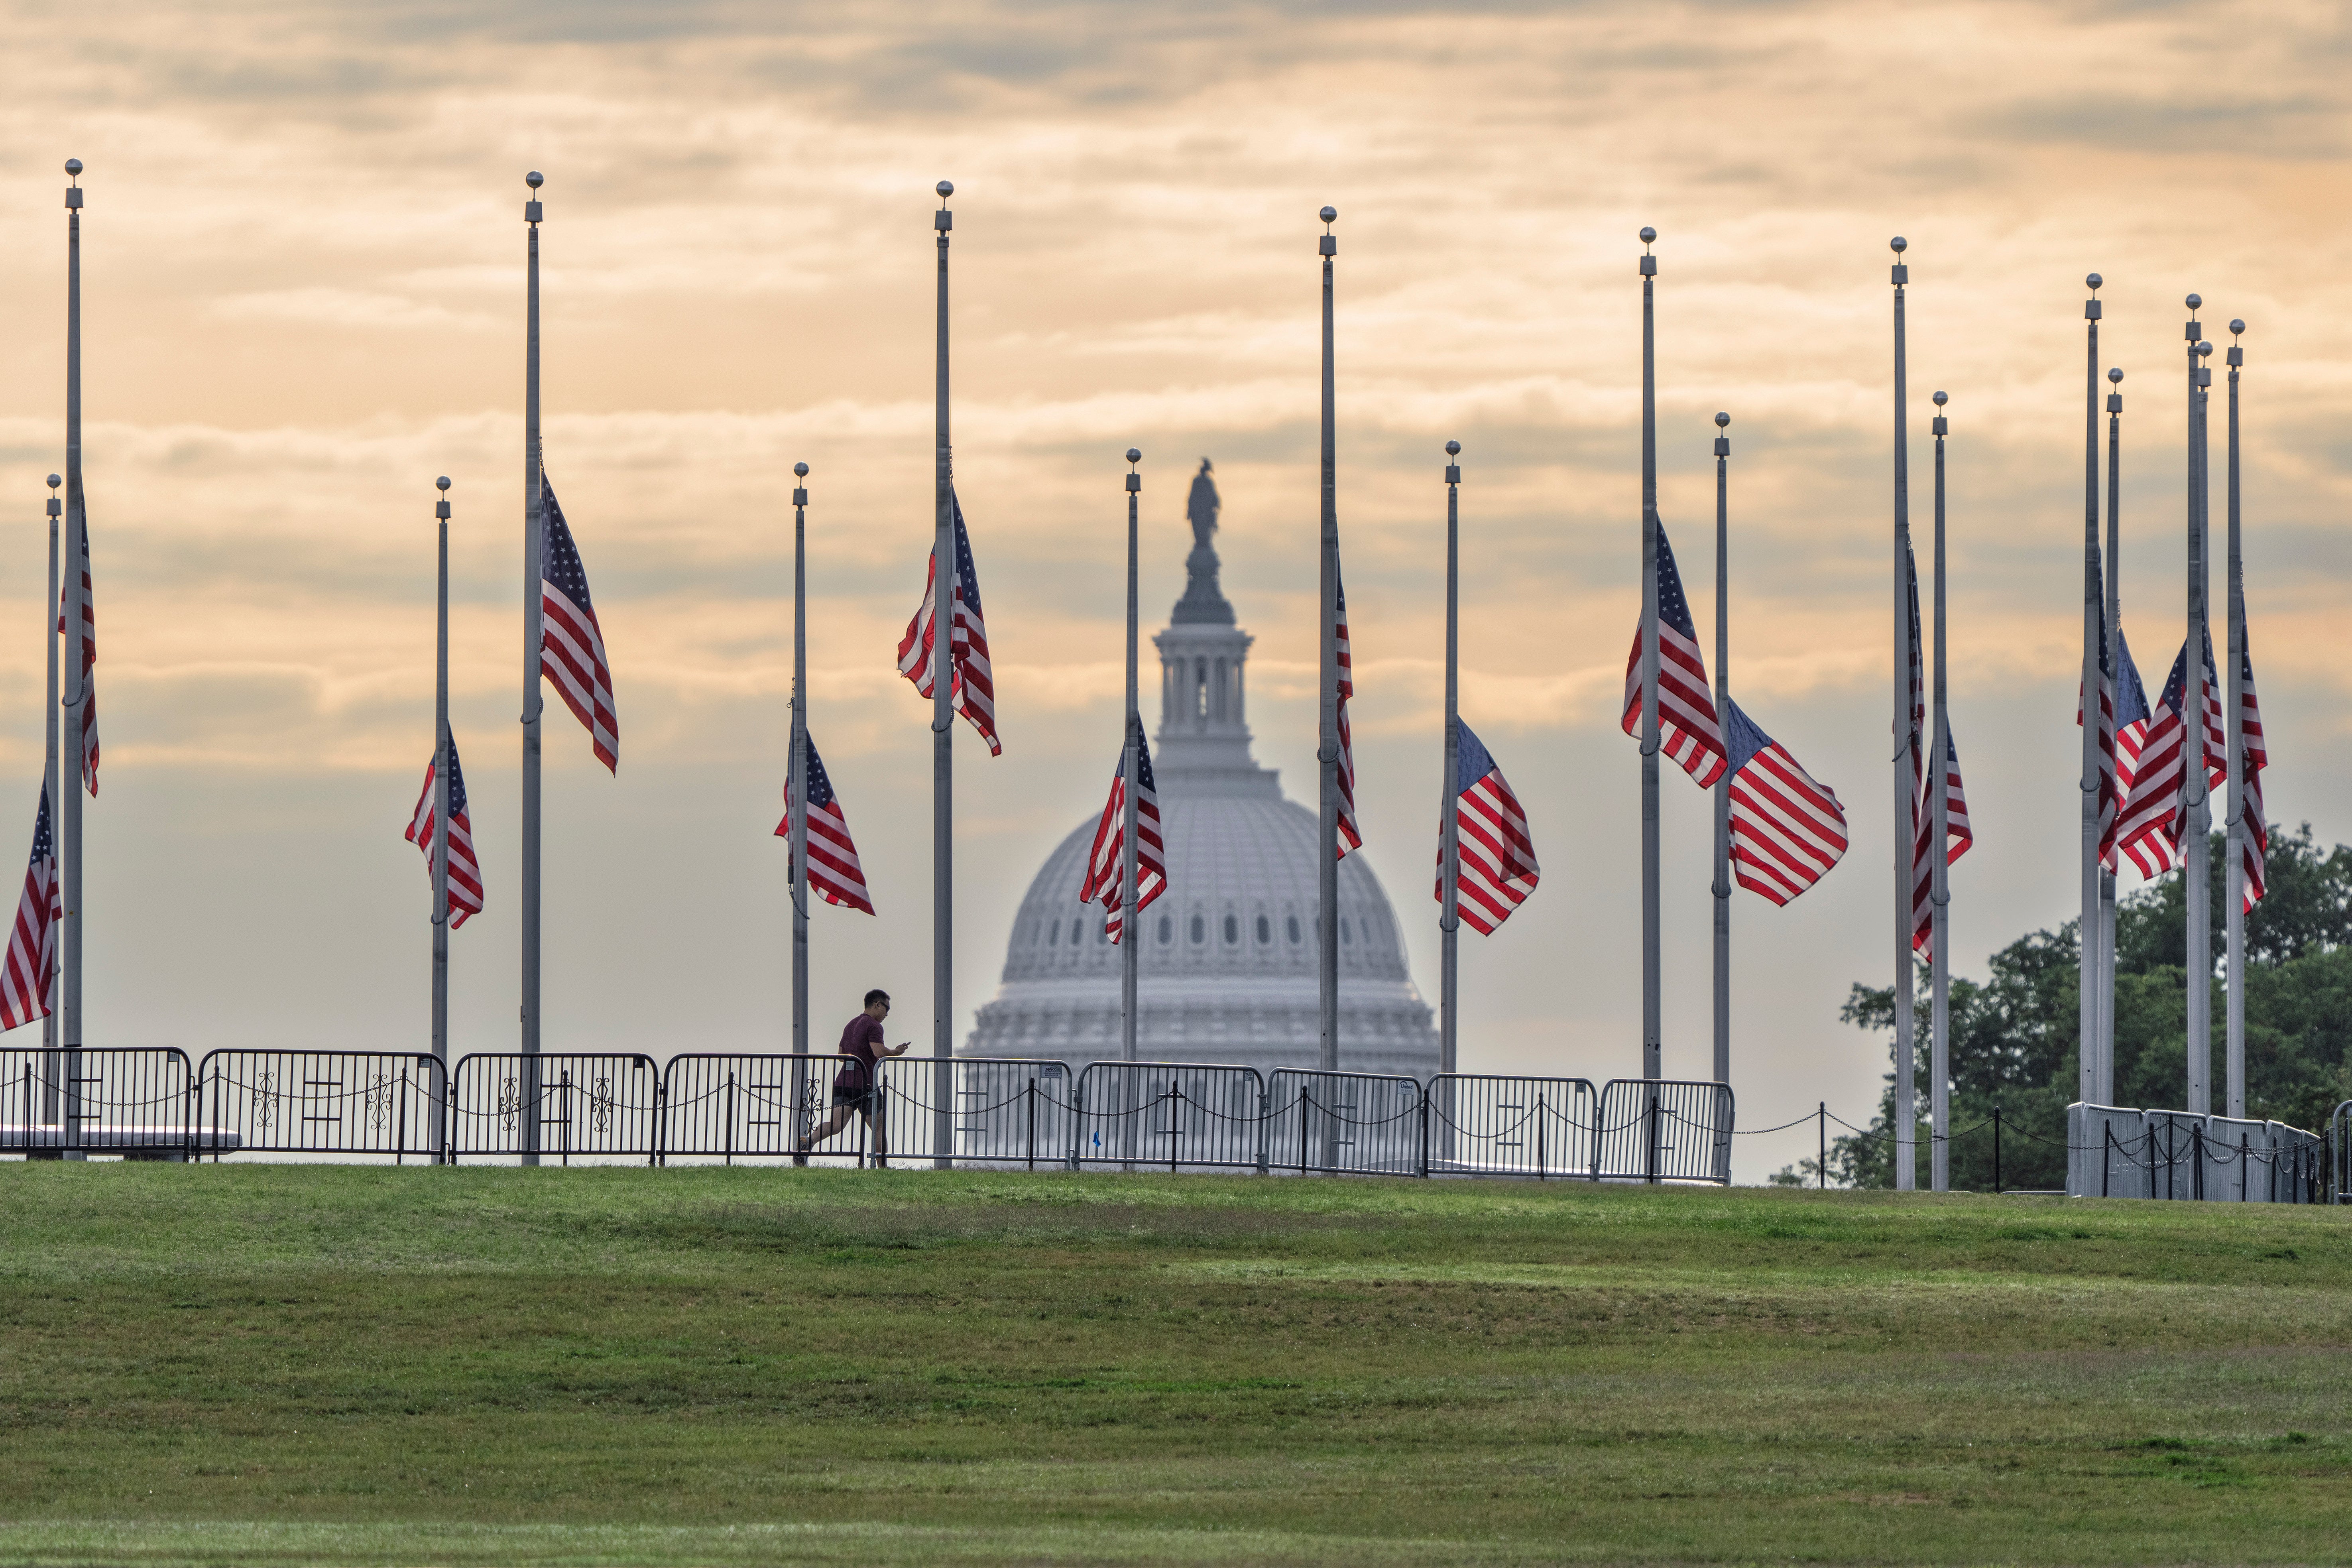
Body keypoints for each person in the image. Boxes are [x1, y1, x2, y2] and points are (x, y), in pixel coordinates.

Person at [797, 989, 909, 1164]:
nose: (887, 1014)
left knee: (835, 1126)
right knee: (878, 1129)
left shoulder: (850, 1025)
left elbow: (841, 1056)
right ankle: (882, 1168)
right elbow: (879, 1052)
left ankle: (809, 1140)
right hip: (866, 1085)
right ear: (877, 1005)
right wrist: (896, 1052)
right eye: (887, 1008)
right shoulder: (874, 1026)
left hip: (844, 1082)